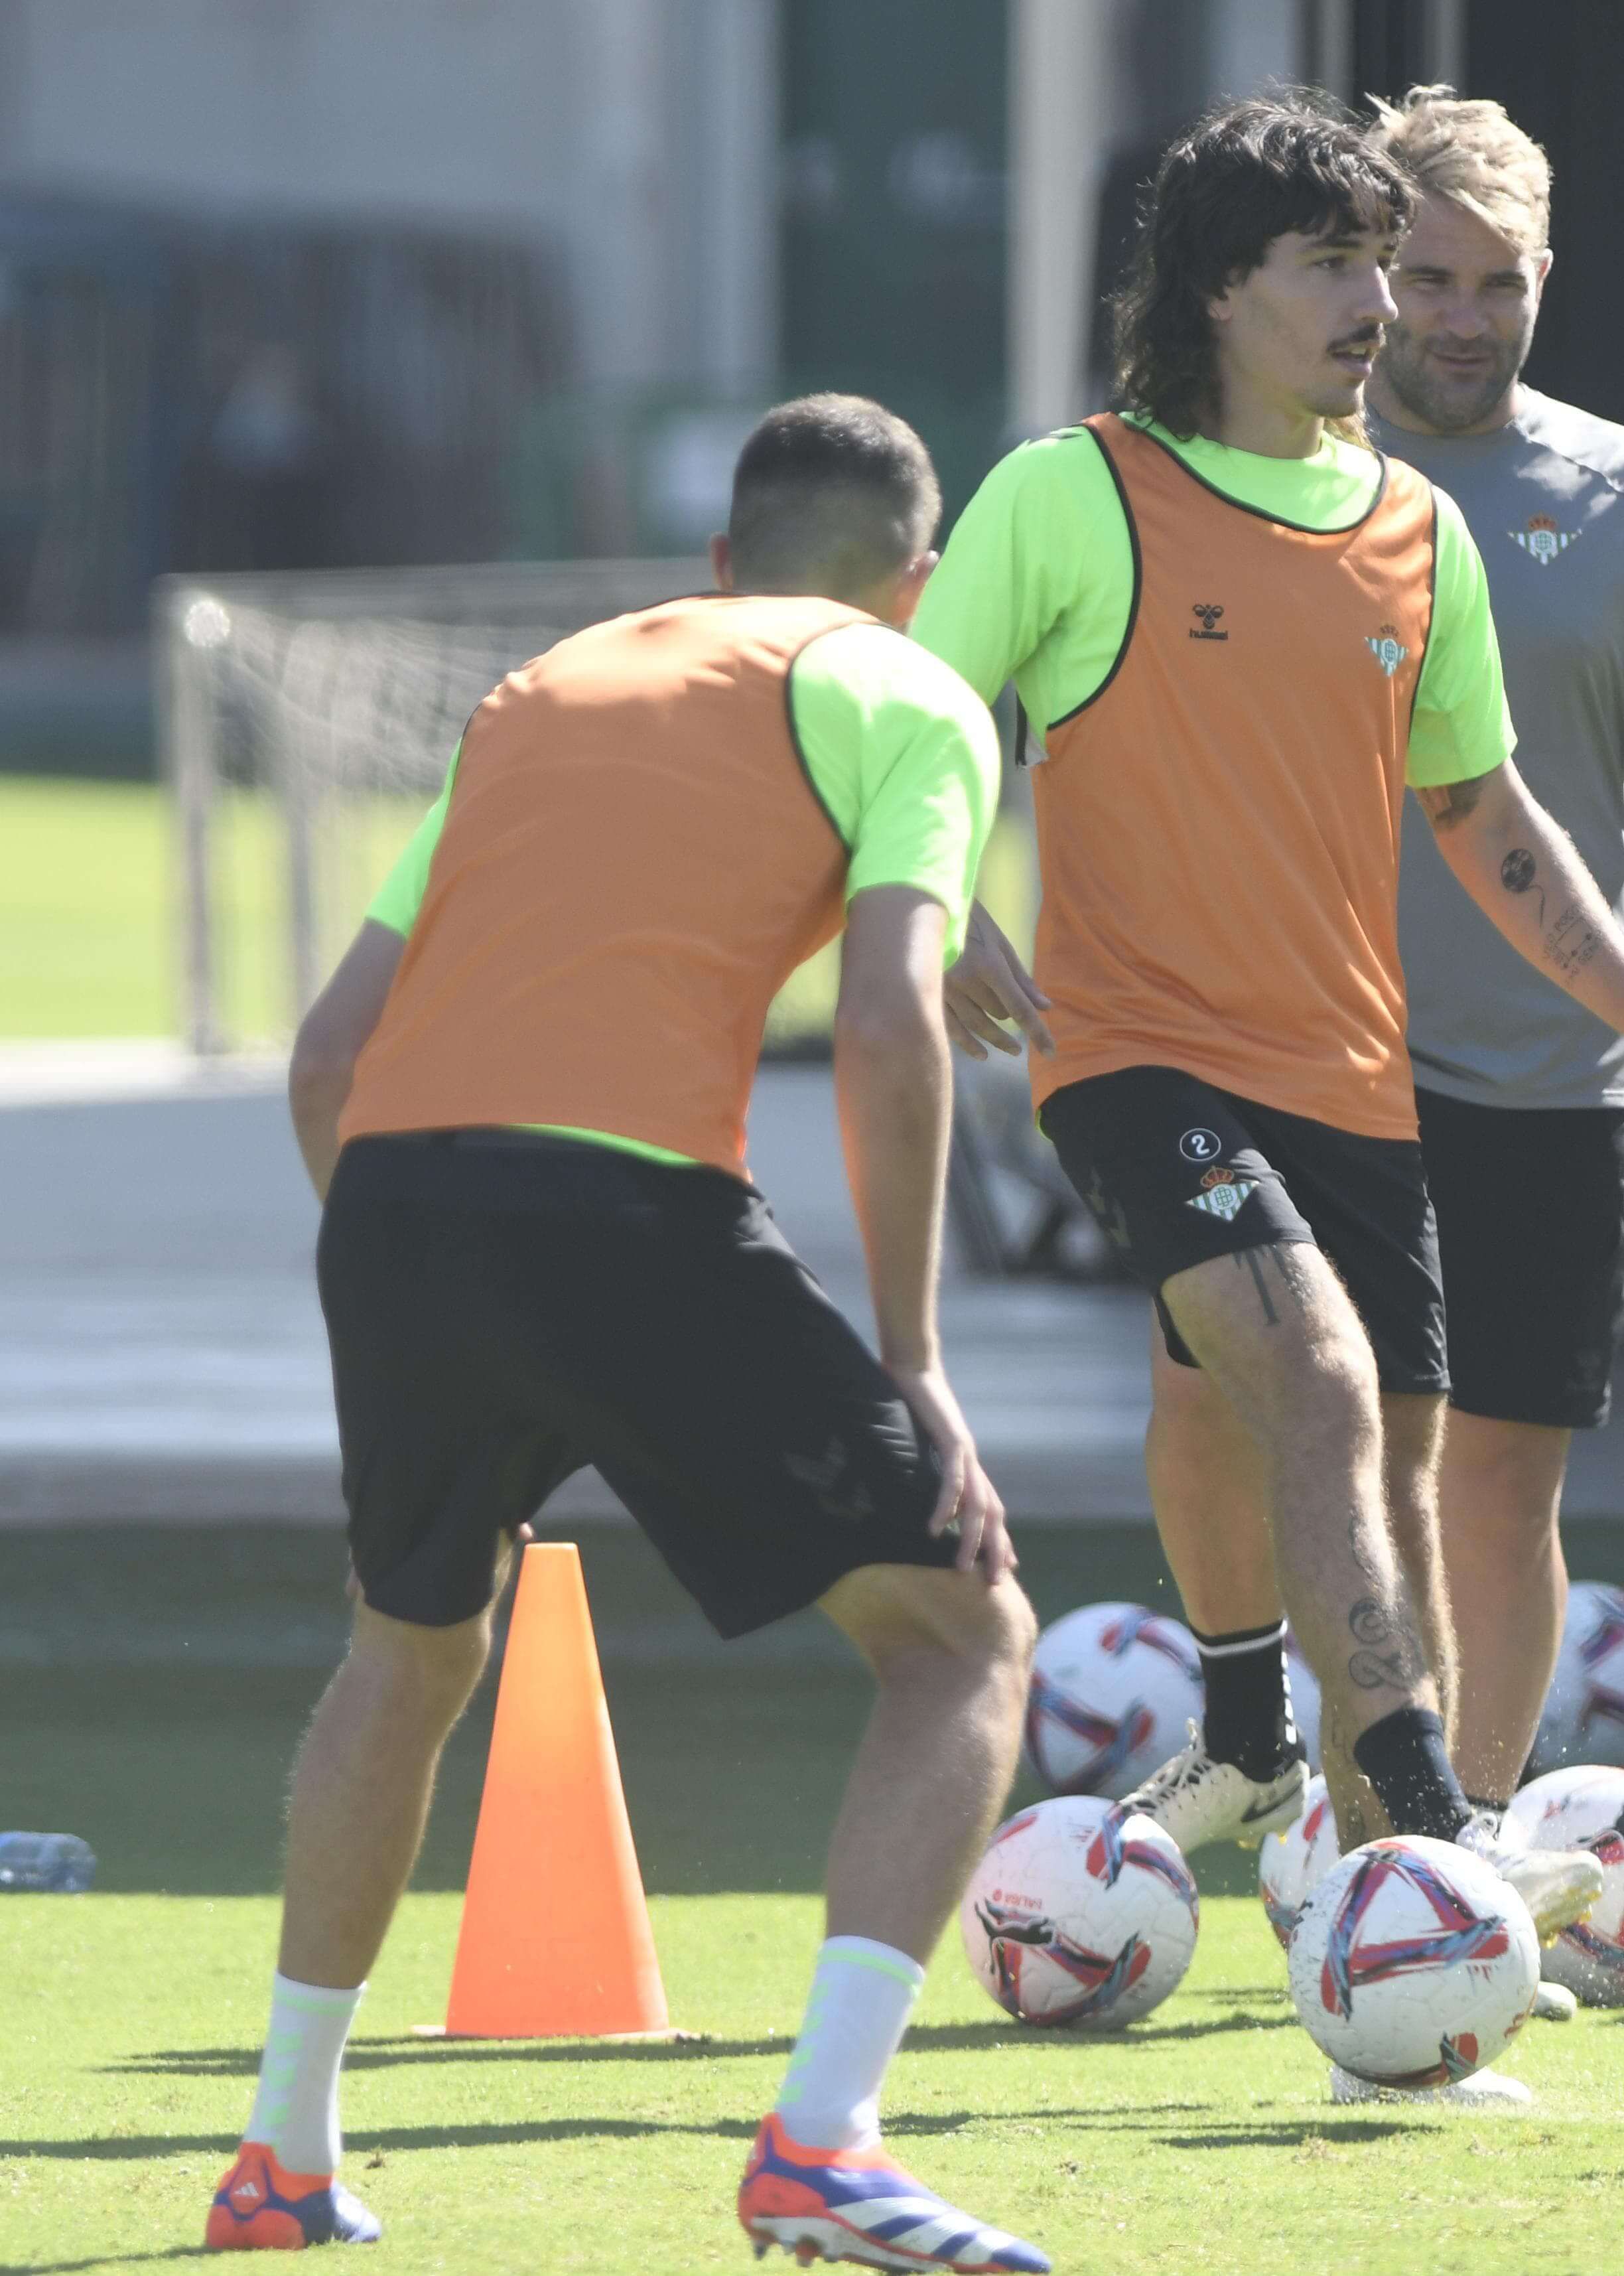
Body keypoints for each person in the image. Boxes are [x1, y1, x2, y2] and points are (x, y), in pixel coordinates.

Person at [919, 95, 1624, 2101]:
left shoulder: (1412, 528)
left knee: (1401, 1481)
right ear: (1221, 287)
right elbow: (927, 717)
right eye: (1342, 265)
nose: (1383, 306)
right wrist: (931, 902)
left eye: (1402, 267)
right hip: (1135, 1057)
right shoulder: (1074, 491)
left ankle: (1417, 1983)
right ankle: (1435, 1825)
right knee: (1314, 1382)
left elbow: (1495, 823)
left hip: (1356, 1081)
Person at [211, 397, 1049, 2271]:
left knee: (407, 1659)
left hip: (404, 1206)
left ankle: (279, 2157)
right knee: (965, 1640)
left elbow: (332, 1051)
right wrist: (917, 1369)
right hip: (632, 1213)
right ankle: (823, 2145)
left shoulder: (548, 686)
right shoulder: (907, 694)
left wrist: (407, 1285)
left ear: (720, 566)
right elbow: (897, 1027)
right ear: (915, 584)